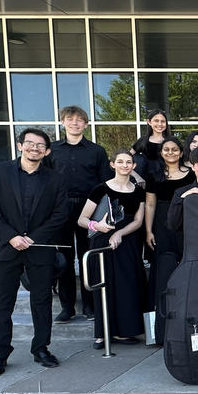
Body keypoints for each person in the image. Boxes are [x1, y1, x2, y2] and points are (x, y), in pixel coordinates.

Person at [0, 128, 69, 377]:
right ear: (20, 145)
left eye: (40, 145)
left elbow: (60, 214)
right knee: (2, 303)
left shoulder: (55, 178)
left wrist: (32, 239)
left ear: (47, 151)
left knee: (41, 301)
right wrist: (11, 236)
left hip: (39, 249)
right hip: (4, 247)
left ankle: (41, 349)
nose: (34, 148)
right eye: (30, 143)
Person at [78, 149, 147, 348]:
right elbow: (82, 219)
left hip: (128, 241)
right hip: (102, 242)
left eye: (129, 162)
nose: (125, 165)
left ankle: (124, 332)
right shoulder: (100, 189)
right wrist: (97, 226)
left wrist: (120, 233)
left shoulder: (138, 191)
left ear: (134, 166)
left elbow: (138, 220)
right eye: (121, 161)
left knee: (127, 287)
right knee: (104, 287)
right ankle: (101, 333)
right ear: (113, 164)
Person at [49, 105, 110, 322]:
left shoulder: (97, 151)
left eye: (79, 119)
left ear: (86, 123)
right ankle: (67, 307)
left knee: (88, 257)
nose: (75, 123)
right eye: (70, 119)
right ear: (62, 122)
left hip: (89, 211)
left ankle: (90, 305)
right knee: (64, 258)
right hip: (61, 210)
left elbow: (105, 184)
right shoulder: (52, 150)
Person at [145, 136, 193, 338]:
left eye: (175, 149)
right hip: (161, 227)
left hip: (186, 227)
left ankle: (187, 321)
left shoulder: (191, 175)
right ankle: (160, 330)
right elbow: (150, 205)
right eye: (167, 150)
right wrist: (148, 231)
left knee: (187, 273)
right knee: (162, 277)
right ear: (161, 153)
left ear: (181, 153)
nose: (171, 153)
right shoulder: (154, 175)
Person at [131, 110, 170, 181]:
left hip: (167, 179)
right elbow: (127, 158)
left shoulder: (171, 141)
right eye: (156, 121)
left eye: (163, 121)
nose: (160, 124)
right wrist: (137, 177)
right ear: (149, 122)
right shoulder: (142, 141)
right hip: (146, 180)